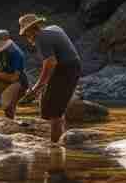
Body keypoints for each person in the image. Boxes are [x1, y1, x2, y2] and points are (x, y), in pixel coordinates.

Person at [19, 14, 82, 143]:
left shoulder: (41, 38)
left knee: (55, 113)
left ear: (31, 30)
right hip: (70, 66)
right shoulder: (54, 28)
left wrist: (37, 88)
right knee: (48, 106)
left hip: (67, 69)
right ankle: (60, 139)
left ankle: (55, 146)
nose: (26, 37)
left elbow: (50, 63)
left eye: (26, 33)